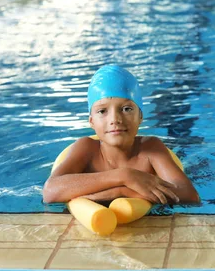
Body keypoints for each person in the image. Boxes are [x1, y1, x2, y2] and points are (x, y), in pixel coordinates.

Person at [43, 64, 200, 209]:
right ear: (91, 121)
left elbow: (190, 196)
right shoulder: (87, 148)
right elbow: (50, 192)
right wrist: (125, 176)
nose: (115, 119)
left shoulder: (151, 149)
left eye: (126, 109)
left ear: (140, 117)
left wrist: (122, 192)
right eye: (102, 111)